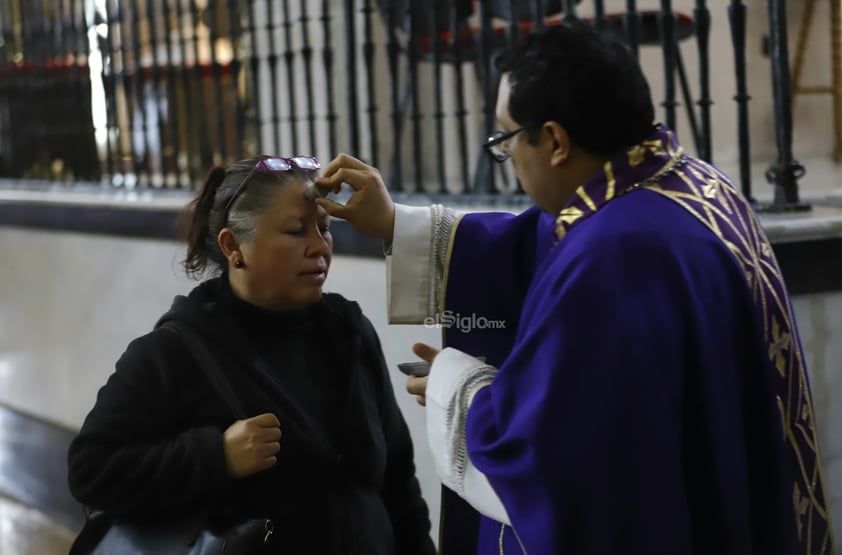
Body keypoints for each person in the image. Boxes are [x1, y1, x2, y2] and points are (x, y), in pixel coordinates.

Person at [312, 22, 835, 555]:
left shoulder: (614, 256)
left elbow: (551, 455)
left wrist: (455, 387)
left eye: (505, 138)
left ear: (556, 141)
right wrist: (397, 223)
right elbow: (546, 241)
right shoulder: (687, 185)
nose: (507, 155)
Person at [67, 155, 437, 555]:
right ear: (233, 246)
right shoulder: (174, 351)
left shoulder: (348, 330)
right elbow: (91, 469)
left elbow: (397, 476)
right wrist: (215, 456)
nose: (319, 247)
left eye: (324, 228)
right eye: (296, 231)